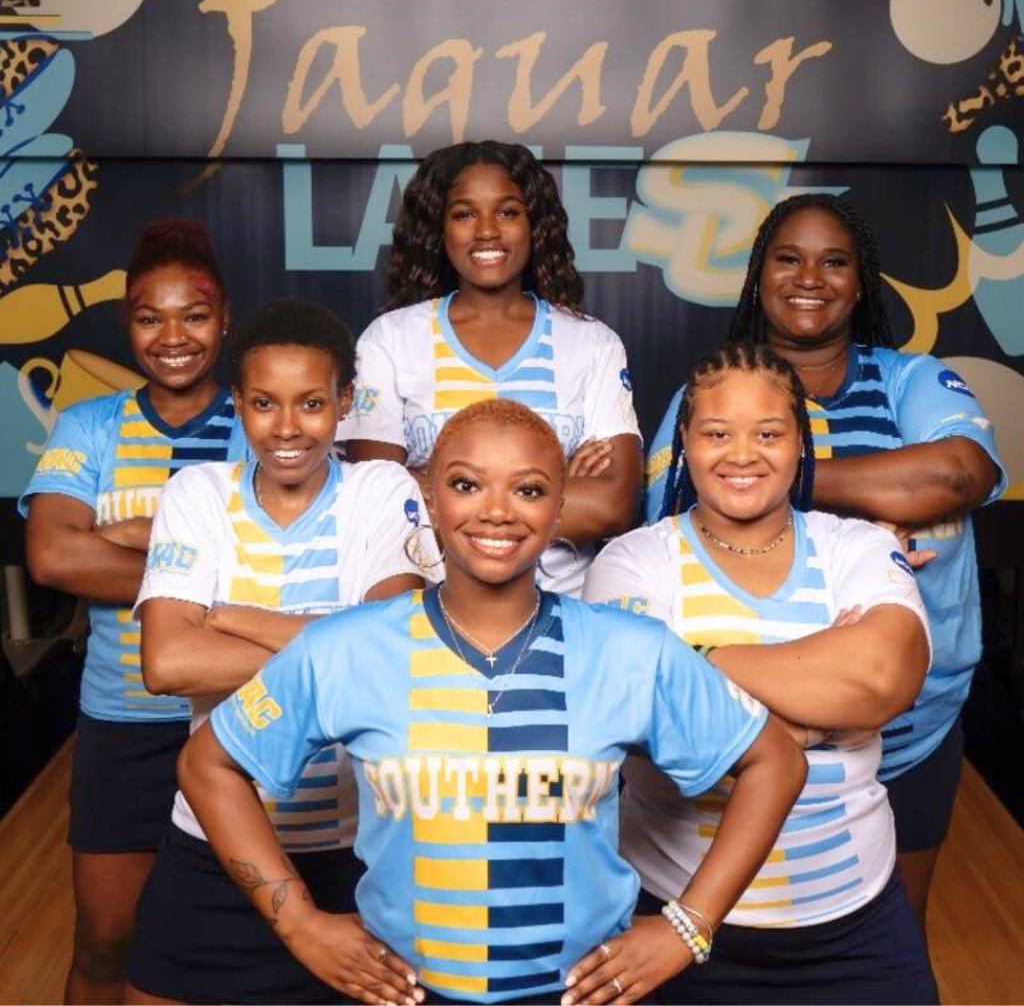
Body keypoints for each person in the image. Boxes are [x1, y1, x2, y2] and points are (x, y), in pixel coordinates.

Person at [177, 398, 807, 1006]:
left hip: (581, 994)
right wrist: (299, 923)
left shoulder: (630, 651)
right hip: (403, 992)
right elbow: (208, 764)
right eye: (467, 484)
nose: (497, 512)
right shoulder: (346, 646)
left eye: (529, 490)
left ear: (559, 507)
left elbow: (776, 762)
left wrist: (686, 927)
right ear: (429, 499)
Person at [645, 194, 1004, 932]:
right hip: (747, 716)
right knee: (743, 924)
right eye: (789, 258)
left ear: (861, 280)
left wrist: (774, 482)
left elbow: (957, 475)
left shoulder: (912, 380)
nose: (811, 276)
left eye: (834, 260)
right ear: (758, 276)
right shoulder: (702, 395)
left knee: (890, 925)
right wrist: (869, 509)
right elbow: (673, 528)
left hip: (915, 725)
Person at [586, 342, 937, 1004]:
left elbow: (884, 677)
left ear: (800, 444)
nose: (741, 455)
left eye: (768, 433)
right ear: (684, 443)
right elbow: (649, 718)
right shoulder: (631, 563)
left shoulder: (854, 546)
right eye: (717, 433)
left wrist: (698, 657)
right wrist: (813, 707)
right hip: (673, 921)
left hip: (857, 927)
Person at [122, 299, 431, 1005]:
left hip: (355, 851)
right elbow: (168, 664)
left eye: (312, 403)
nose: (287, 428)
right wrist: (335, 639)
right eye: (263, 403)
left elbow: (394, 653)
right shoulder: (197, 492)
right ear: (238, 402)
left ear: (345, 403)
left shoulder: (381, 490)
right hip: (213, 843)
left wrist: (226, 616)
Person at [19, 219, 247, 1004]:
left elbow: (283, 582)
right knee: (106, 943)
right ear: (127, 322)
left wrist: (128, 538)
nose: (173, 336)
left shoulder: (263, 428)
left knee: (243, 948)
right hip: (123, 722)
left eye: (196, 315)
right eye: (152, 316)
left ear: (226, 320)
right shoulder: (90, 426)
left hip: (243, 720)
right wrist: (207, 558)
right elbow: (53, 556)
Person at [339, 140, 642, 595]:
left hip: (567, 603)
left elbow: (614, 504)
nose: (486, 231)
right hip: (429, 600)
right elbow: (380, 499)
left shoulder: (592, 342)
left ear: (533, 224)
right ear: (438, 230)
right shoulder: (391, 338)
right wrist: (554, 486)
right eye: (464, 214)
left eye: (507, 212)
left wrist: (436, 489)